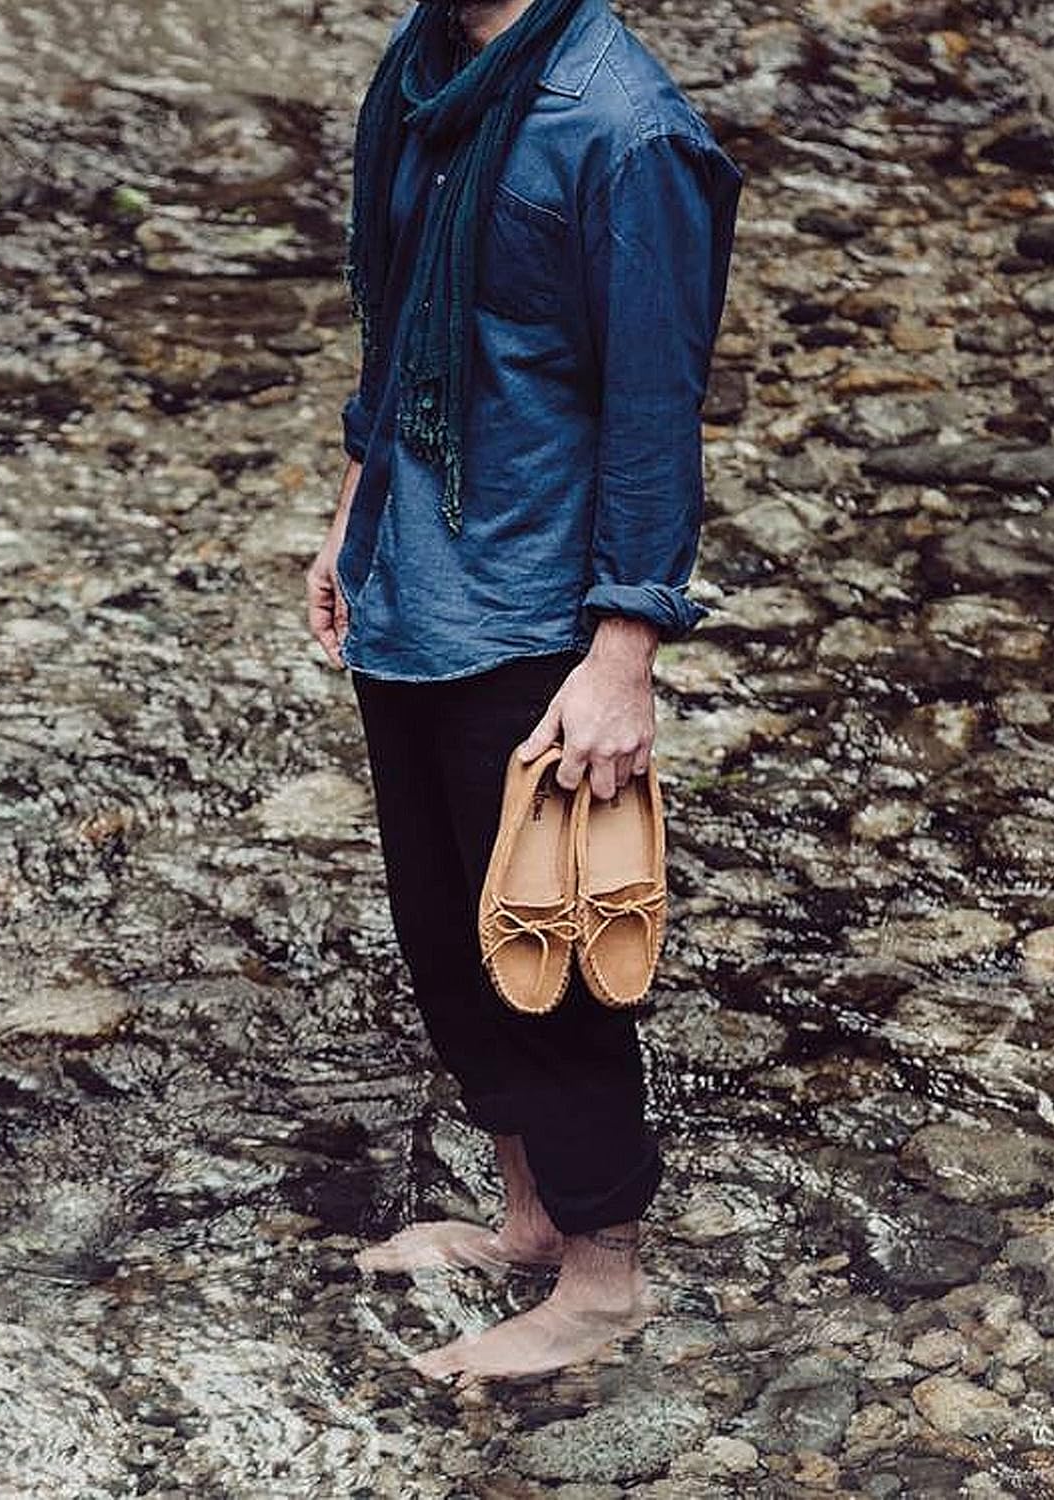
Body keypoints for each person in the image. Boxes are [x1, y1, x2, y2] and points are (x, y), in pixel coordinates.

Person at [305, 0, 741, 1384]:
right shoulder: (428, 65)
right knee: (445, 929)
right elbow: (399, 326)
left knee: (553, 942)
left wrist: (624, 653)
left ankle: (605, 1282)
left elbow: (657, 408)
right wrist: (352, 510)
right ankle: (531, 1221)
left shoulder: (624, 129)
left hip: (538, 608)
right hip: (413, 573)